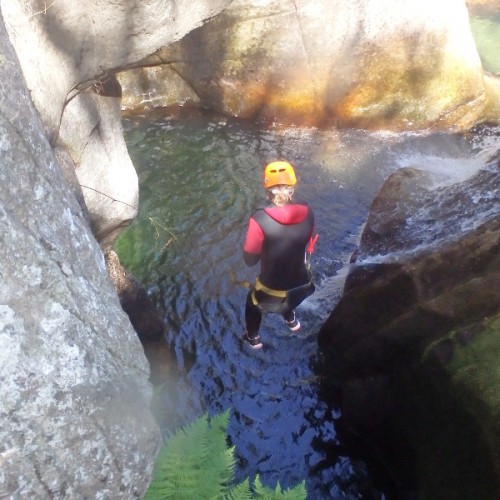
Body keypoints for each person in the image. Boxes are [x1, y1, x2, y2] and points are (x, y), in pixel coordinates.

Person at [242, 160, 316, 349]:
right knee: (286, 292)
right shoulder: (308, 212)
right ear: (292, 185)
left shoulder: (260, 218)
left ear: (267, 188)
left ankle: (253, 339)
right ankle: (292, 321)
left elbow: (250, 260)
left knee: (252, 303)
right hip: (303, 284)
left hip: (273, 289)